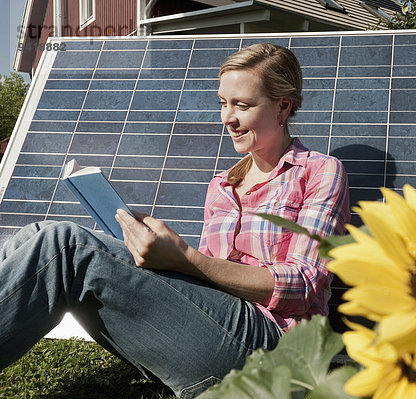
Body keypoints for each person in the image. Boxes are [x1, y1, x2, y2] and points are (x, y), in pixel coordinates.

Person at [0, 43, 350, 398]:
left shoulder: (320, 172)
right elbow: (210, 286)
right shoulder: (222, 185)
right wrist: (160, 256)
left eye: (242, 105)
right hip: (218, 331)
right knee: (36, 234)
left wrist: (187, 258)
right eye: (223, 103)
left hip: (273, 346)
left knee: (65, 245)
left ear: (283, 107)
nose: (227, 118)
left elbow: (304, 286)